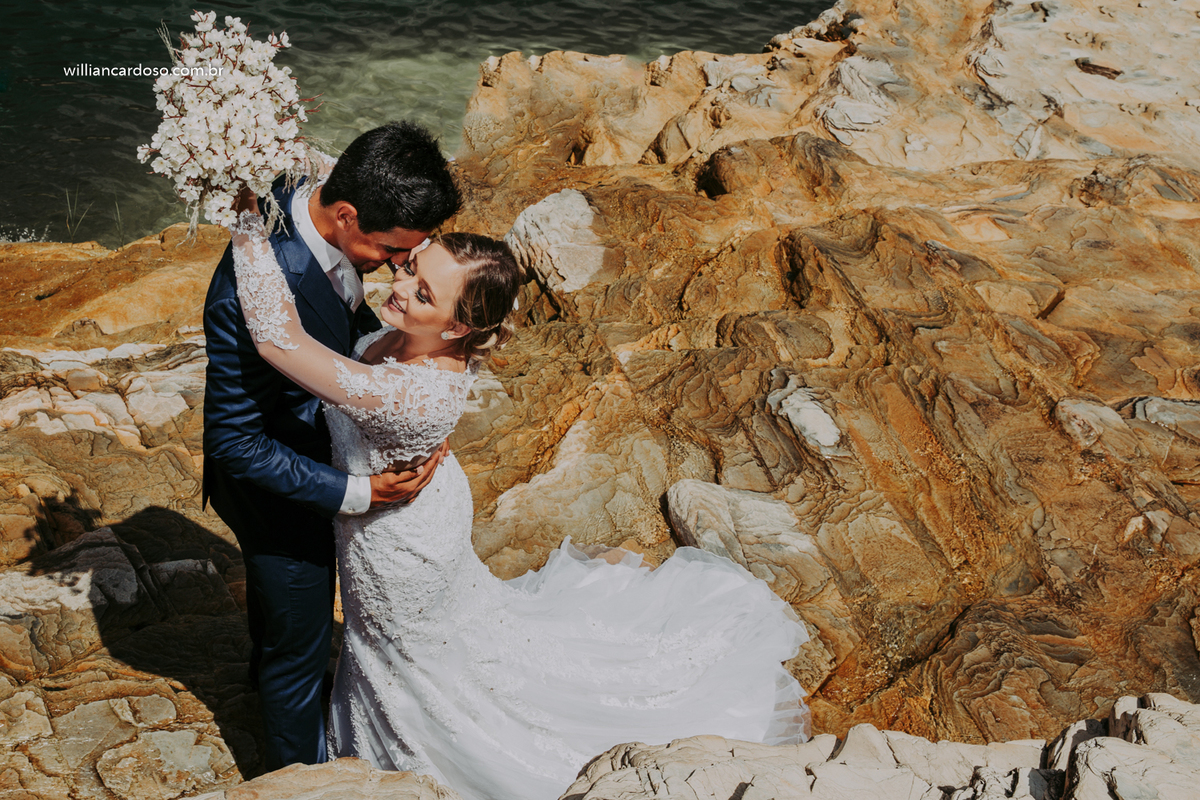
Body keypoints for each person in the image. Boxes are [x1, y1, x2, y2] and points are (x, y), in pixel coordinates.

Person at [221, 166, 811, 800]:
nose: (399, 287)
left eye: (423, 293)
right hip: (416, 508)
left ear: (454, 329)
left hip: (398, 543)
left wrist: (246, 219)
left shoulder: (414, 395)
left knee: (412, 655)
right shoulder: (413, 337)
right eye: (410, 269)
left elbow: (279, 342)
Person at [201, 121, 461, 771]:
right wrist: (356, 493)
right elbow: (234, 441)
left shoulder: (300, 187)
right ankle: (293, 776)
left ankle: (265, 669)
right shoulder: (254, 290)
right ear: (345, 215)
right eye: (390, 250)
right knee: (302, 647)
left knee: (282, 616)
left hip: (326, 447)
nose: (398, 266)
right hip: (277, 483)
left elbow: (344, 314)